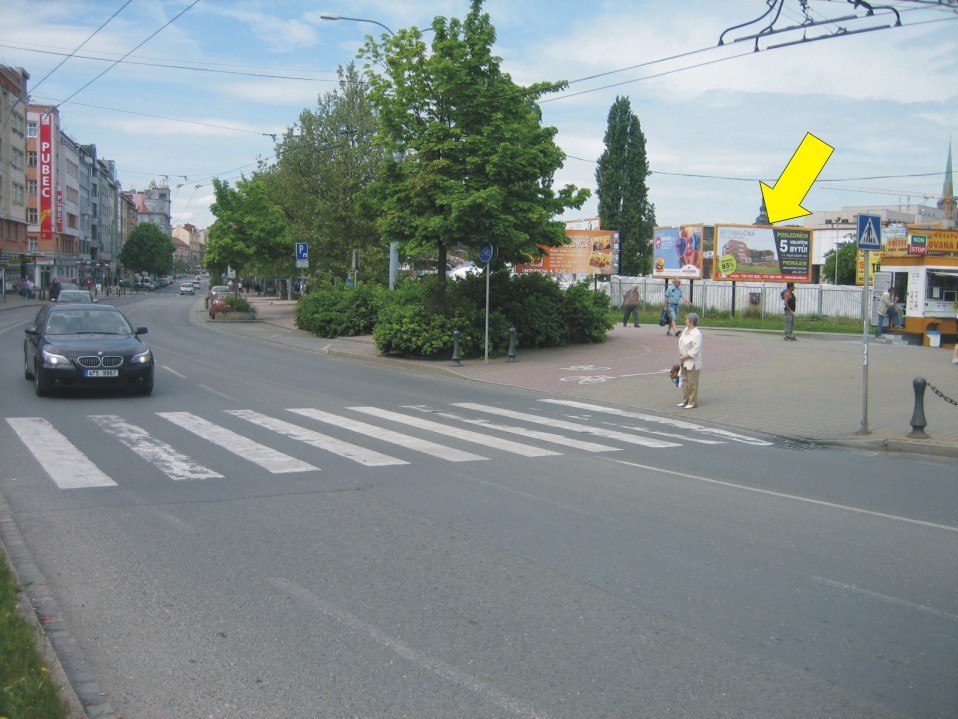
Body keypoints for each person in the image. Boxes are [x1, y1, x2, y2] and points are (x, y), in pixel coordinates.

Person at [676, 313, 703, 409]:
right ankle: (685, 400)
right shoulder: (686, 330)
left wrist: (686, 356)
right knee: (685, 382)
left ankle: (692, 402)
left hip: (692, 362)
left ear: (691, 321)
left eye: (687, 320)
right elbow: (681, 342)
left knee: (692, 383)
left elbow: (696, 349)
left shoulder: (697, 334)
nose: (685, 321)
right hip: (684, 361)